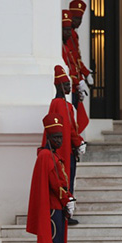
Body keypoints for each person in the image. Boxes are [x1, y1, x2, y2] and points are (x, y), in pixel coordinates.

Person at [26, 112, 76, 243]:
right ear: (48, 137)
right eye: (56, 137)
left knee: (57, 241)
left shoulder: (50, 155)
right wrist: (67, 198)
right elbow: (55, 182)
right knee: (53, 242)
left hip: (56, 206)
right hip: (52, 207)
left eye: (61, 137)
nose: (59, 141)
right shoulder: (47, 156)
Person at [43, 65, 85, 226]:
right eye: (66, 85)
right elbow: (67, 128)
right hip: (64, 150)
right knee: (65, 179)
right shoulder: (60, 104)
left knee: (68, 178)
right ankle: (66, 211)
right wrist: (78, 141)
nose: (69, 88)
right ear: (59, 85)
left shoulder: (63, 104)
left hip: (69, 149)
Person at [62, 10, 89, 133]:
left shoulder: (67, 44)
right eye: (76, 18)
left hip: (74, 84)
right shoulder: (64, 47)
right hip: (70, 86)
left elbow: (75, 61)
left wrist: (84, 75)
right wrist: (78, 82)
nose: (78, 22)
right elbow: (69, 67)